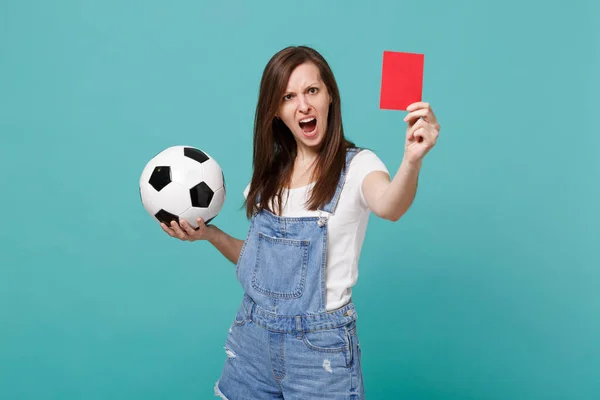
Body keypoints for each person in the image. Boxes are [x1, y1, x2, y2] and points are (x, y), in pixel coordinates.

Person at [160, 45, 440, 399]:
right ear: (276, 112)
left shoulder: (358, 166)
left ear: (330, 98)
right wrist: (211, 235)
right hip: (252, 340)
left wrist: (412, 160)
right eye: (288, 96)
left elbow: (390, 206)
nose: (303, 105)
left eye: (312, 91)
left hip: (319, 352)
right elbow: (262, 264)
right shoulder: (270, 175)